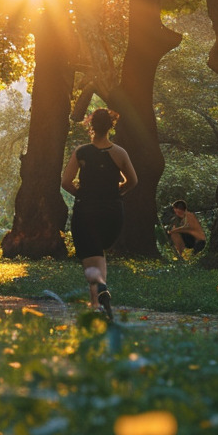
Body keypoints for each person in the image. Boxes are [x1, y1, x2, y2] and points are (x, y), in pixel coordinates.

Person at [61, 108, 138, 319]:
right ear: (111, 125)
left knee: (90, 260)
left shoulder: (81, 152)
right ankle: (96, 305)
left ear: (91, 125)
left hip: (86, 211)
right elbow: (133, 181)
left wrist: (82, 193)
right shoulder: (120, 152)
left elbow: (65, 182)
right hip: (113, 212)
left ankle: (101, 289)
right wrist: (116, 192)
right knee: (99, 253)